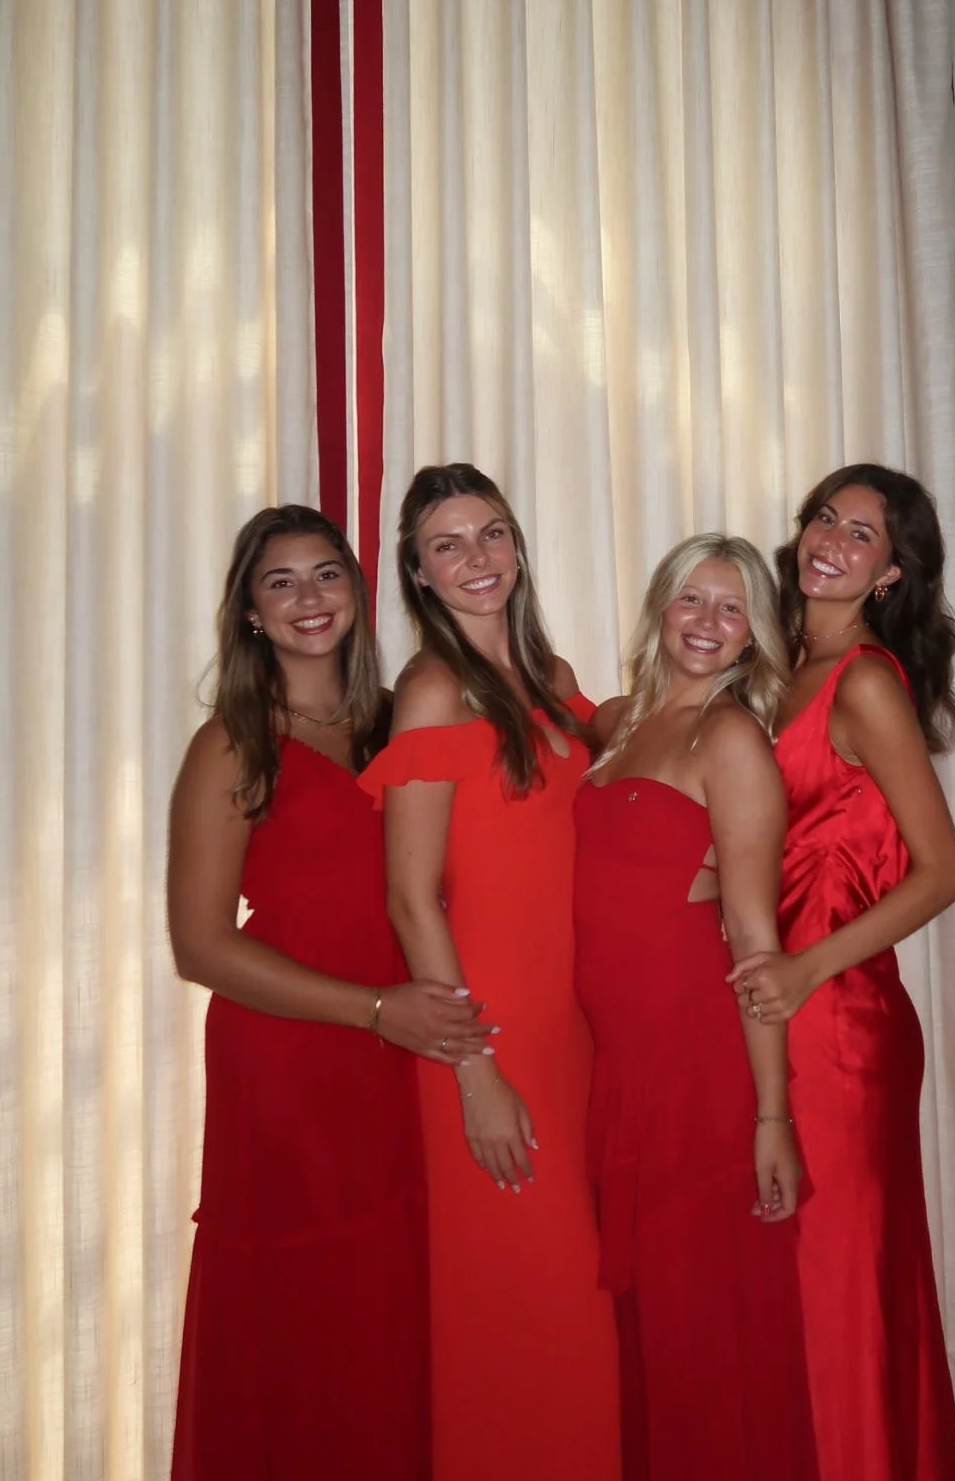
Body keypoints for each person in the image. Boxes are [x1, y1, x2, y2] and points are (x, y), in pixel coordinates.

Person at [168, 505, 489, 1481]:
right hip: (293, 1064)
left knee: (394, 1303)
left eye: (327, 575)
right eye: (282, 581)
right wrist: (375, 1009)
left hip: (413, 1051)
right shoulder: (232, 743)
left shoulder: (408, 714)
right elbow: (201, 945)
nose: (310, 598)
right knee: (302, 1309)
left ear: (359, 590)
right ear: (251, 613)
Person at [357, 464, 620, 1481]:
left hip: (574, 1031)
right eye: (448, 545)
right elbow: (411, 896)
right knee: (527, 1309)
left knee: (577, 1301)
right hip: (486, 1035)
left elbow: (634, 773)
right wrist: (475, 1070)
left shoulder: (551, 676)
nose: (478, 560)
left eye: (493, 533)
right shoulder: (432, 688)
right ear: (418, 575)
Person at [730, 463, 955, 1481]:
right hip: (787, 1009)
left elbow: (942, 869)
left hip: (840, 1020)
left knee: (838, 1293)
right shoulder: (781, 668)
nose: (833, 537)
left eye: (862, 533)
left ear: (890, 573)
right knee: (803, 1287)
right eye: (825, 516)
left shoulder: (864, 679)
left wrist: (805, 967)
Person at [574, 534, 818, 1481]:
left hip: (696, 1077)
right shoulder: (621, 726)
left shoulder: (730, 739)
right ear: (659, 608)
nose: (708, 623)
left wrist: (771, 1116)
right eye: (690, 600)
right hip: (620, 1074)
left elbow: (756, 944)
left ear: (754, 629)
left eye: (730, 606)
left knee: (705, 1342)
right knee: (646, 1341)